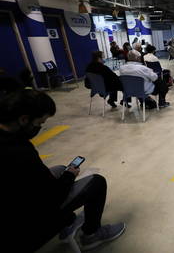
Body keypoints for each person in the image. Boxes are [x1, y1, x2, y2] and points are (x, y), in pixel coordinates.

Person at [1, 90, 126, 252]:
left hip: (17, 201)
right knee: (96, 182)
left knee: (60, 169)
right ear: (24, 119)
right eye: (39, 123)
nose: (39, 127)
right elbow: (52, 197)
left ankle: (71, 222)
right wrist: (68, 177)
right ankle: (91, 234)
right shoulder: (19, 151)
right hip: (28, 224)